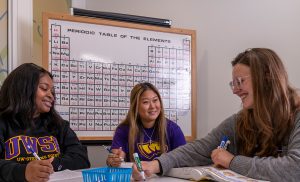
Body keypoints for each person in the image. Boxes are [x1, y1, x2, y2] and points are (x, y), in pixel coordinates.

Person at [133, 48, 300, 182]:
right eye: (233, 84)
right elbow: (199, 149)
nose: (235, 90)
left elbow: (295, 169)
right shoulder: (241, 120)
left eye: (240, 81)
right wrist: (156, 165)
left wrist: (231, 161)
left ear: (266, 78)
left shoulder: (297, 114)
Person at [0, 63, 90, 182]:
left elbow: (81, 159)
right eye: (44, 88)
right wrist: (24, 171)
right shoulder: (3, 123)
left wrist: (52, 165)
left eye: (52, 91)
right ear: (23, 88)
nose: (51, 96)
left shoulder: (59, 125)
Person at [106, 82, 186, 167]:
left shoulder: (173, 129)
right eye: (146, 102)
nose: (152, 106)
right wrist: (113, 160)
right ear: (135, 107)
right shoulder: (124, 130)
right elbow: (114, 159)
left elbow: (184, 159)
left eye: (155, 100)